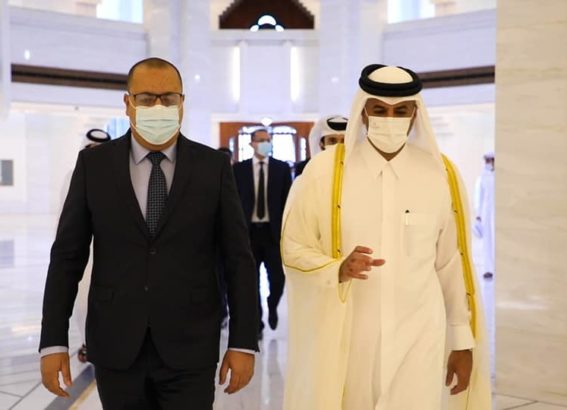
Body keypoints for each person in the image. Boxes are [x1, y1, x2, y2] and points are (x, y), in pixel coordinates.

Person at [39, 57, 258, 409]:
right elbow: (67, 258)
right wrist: (53, 342)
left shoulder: (212, 167)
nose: (158, 107)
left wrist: (243, 342)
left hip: (191, 346)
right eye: (146, 98)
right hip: (116, 343)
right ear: (128, 104)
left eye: (168, 98)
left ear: (182, 103)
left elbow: (238, 259)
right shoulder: (94, 166)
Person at [281, 64, 491, 409]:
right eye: (379, 109)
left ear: (414, 114)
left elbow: (451, 264)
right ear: (363, 112)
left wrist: (461, 342)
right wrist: (336, 268)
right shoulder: (325, 172)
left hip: (420, 334)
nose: (389, 119)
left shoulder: (440, 174)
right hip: (351, 336)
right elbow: (294, 246)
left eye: (400, 111)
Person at [233, 129, 292, 339]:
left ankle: (272, 304)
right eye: (261, 140)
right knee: (251, 281)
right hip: (248, 234)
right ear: (252, 143)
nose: (265, 143)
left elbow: (288, 202)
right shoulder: (239, 170)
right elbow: (233, 201)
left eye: (268, 140)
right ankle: (256, 322)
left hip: (272, 234)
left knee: (278, 279)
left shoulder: (281, 169)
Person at [59, 129, 112, 363]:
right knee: (83, 302)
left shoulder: (118, 175)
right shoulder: (73, 176)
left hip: (110, 250)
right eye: (92, 149)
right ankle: (86, 342)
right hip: (84, 252)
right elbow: (65, 218)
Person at [475, 152, 495, 279]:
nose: (487, 163)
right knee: (487, 242)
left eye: (489, 160)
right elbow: (479, 197)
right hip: (487, 214)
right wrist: (478, 215)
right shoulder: (483, 176)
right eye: (486, 160)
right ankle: (488, 269)